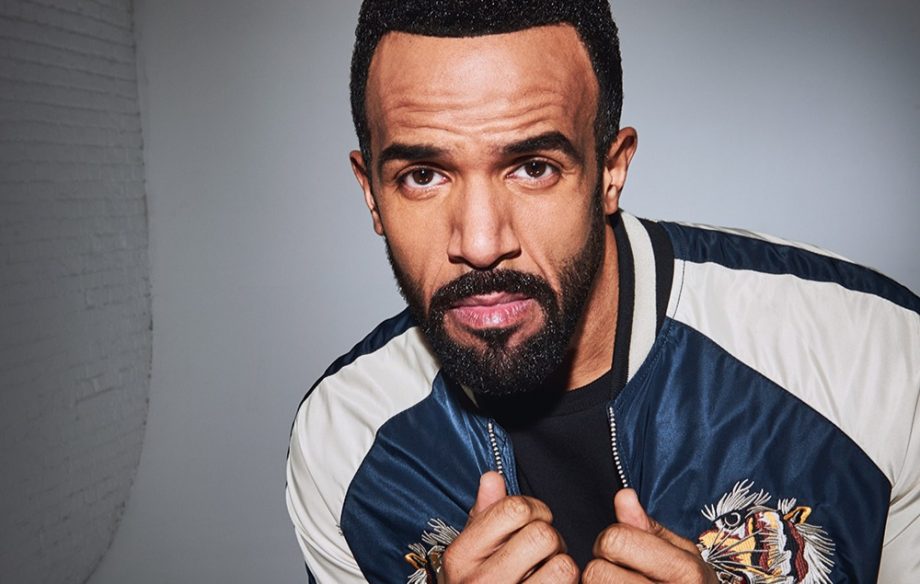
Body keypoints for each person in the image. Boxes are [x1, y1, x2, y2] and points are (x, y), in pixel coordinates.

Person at [285, 1, 920, 582]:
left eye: (533, 168)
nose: (480, 243)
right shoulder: (346, 443)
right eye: (423, 175)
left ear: (611, 171)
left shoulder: (873, 356)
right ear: (371, 192)